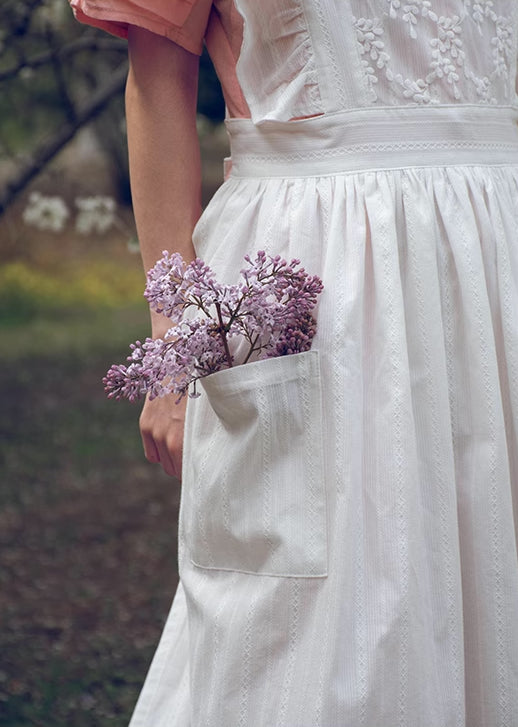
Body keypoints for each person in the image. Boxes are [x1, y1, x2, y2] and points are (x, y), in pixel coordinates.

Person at [70, 2, 518, 725]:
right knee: (312, 636)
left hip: (497, 273)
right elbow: (157, 85)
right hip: (320, 283)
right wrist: (174, 344)